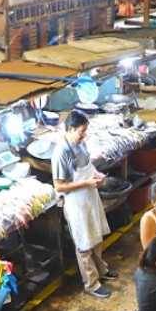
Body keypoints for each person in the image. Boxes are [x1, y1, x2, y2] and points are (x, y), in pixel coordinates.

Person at [52, 110, 116, 299]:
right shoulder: (61, 153)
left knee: (96, 235)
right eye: (81, 131)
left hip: (89, 197)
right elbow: (59, 186)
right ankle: (92, 283)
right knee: (84, 244)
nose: (84, 135)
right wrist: (87, 183)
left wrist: (96, 175)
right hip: (76, 203)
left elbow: (88, 165)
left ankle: (102, 270)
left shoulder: (80, 143)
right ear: (70, 129)